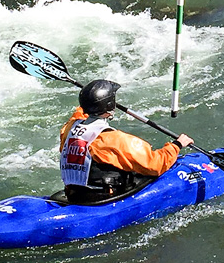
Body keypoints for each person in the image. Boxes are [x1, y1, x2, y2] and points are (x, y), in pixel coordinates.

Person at [59, 79, 193, 205]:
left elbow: (79, 114)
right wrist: (177, 145)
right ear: (110, 106)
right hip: (102, 199)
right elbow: (155, 164)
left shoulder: (69, 128)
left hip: (74, 195)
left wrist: (90, 98)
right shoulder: (114, 140)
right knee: (143, 171)